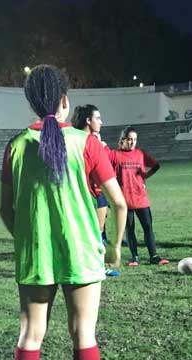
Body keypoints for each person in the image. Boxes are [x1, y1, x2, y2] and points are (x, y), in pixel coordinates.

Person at [0, 64, 127, 360]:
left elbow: (5, 208)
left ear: (31, 103)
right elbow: (119, 203)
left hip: (35, 253)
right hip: (81, 251)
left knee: (30, 333)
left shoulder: (16, 146)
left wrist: (25, 236)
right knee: (83, 332)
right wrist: (114, 247)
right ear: (65, 101)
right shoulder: (86, 143)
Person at [72, 104, 121, 276]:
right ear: (88, 120)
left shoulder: (93, 142)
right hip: (86, 194)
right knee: (90, 231)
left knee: (97, 231)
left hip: (97, 193)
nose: (101, 122)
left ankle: (98, 265)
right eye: (98, 118)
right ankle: (91, 265)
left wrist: (103, 147)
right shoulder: (85, 142)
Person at [112, 127, 168, 266]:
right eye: (129, 139)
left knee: (148, 227)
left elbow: (156, 165)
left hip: (141, 198)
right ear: (123, 140)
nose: (132, 142)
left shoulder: (140, 154)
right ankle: (134, 257)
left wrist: (144, 177)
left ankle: (154, 256)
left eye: (135, 140)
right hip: (124, 200)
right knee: (129, 229)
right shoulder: (115, 155)